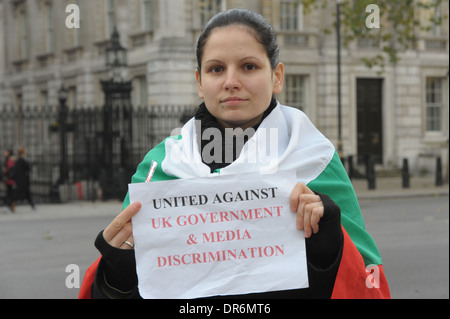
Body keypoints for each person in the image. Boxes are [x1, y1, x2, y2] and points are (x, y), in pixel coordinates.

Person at [79, 9, 390, 299]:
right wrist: (117, 271)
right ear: (200, 83)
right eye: (216, 69)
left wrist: (330, 247)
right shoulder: (159, 166)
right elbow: (125, 288)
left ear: (277, 76)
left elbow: (368, 283)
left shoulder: (315, 158)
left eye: (249, 66)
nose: (231, 82)